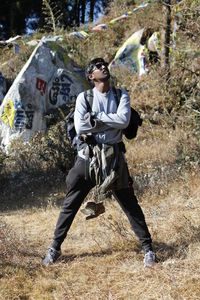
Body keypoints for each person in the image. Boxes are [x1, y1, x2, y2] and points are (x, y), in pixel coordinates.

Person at [42, 58, 157, 268]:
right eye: (97, 66)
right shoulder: (83, 98)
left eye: (104, 64)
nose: (103, 67)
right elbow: (81, 128)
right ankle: (54, 248)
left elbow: (123, 120)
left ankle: (148, 250)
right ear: (90, 76)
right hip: (88, 159)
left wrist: (97, 118)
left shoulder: (121, 94)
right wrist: (105, 122)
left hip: (114, 160)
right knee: (70, 204)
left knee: (130, 205)